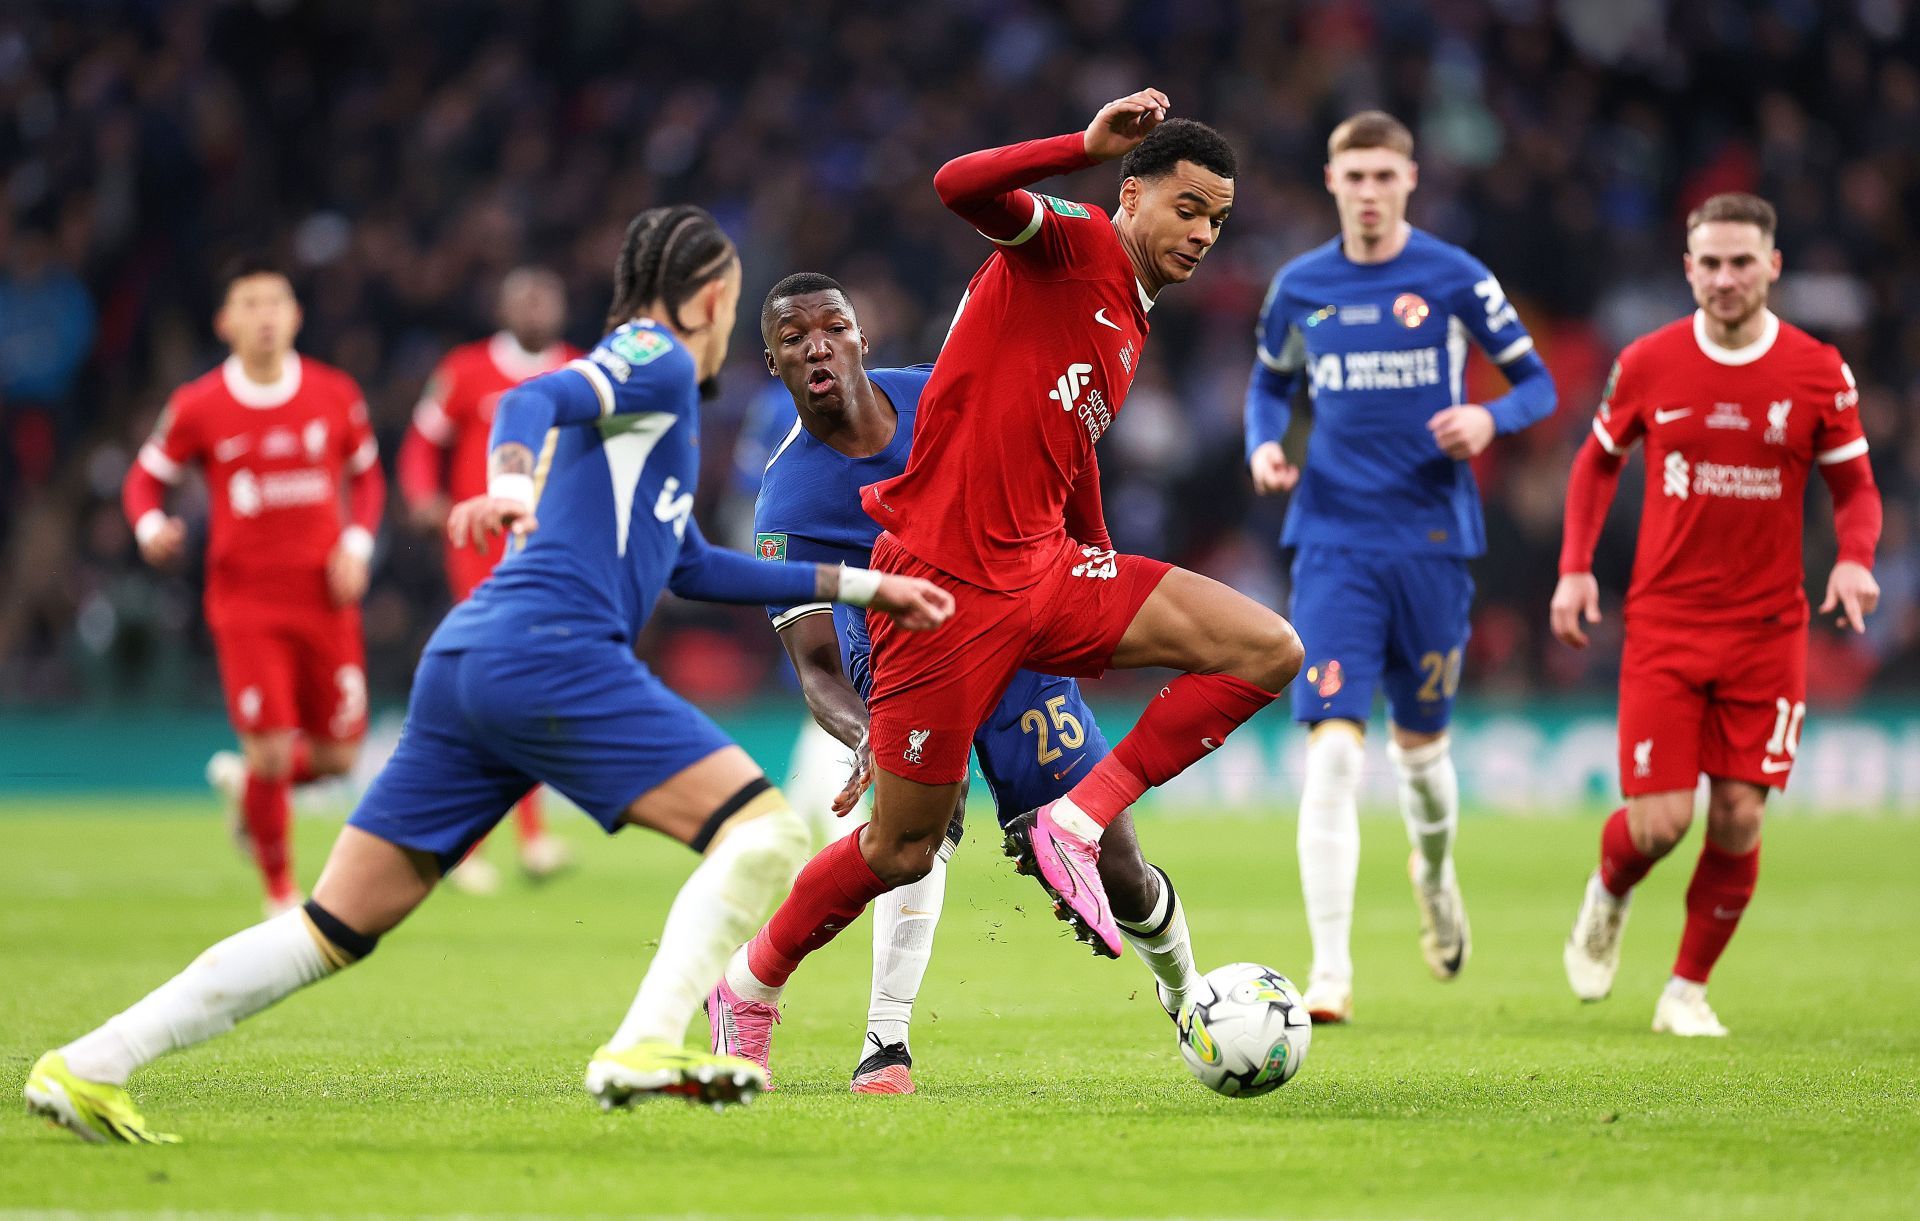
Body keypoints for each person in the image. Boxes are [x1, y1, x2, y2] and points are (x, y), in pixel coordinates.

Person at [26, 206, 954, 1143]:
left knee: (335, 925)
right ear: (713, 299)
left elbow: (689, 565)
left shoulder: (656, 404)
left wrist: (857, 581)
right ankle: (643, 1043)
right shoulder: (656, 358)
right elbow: (533, 401)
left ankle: (91, 1062)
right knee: (760, 832)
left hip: (470, 657)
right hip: (554, 650)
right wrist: (510, 479)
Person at [708, 92, 1302, 1081]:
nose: (1202, 234)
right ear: (1133, 194)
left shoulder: (1129, 314)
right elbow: (956, 185)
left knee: (1268, 648)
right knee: (902, 848)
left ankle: (1078, 819)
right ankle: (751, 983)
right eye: (1187, 208)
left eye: (1218, 220)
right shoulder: (1069, 243)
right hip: (938, 597)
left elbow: (1067, 443)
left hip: (1043, 569)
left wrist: (1104, 568)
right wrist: (1079, 146)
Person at [749, 272, 1200, 1093]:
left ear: (859, 337)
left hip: (1016, 620)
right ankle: (885, 1042)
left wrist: (1080, 565)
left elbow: (1059, 455)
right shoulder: (786, 501)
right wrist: (864, 740)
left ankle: (1188, 997)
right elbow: (813, 665)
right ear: (773, 362)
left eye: (834, 327)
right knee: (927, 812)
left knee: (1119, 860)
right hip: (901, 644)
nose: (818, 344)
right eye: (794, 336)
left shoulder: (937, 398)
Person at [1242, 111, 1557, 1022]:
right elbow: (1269, 380)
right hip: (1334, 543)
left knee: (1422, 759)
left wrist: (1491, 419)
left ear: (1410, 179)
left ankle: (1435, 869)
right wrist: (1266, 445)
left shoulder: (1455, 279)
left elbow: (1536, 381)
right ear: (1332, 182)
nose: (1371, 192)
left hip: (1432, 546)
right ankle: (1329, 972)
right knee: (1333, 756)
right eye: (1356, 177)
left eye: (1386, 175)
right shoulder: (1302, 286)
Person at [1551, 192, 1881, 1037]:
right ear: (1687, 267)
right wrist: (1576, 571)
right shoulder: (1650, 361)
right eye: (1711, 262)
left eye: (1743, 262)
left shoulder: (1816, 370)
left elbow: (1854, 486)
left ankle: (1685, 990)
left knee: (1738, 813)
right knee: (1662, 822)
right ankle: (1611, 887)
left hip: (1770, 629)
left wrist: (1854, 558)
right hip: (1665, 624)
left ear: (1772, 266)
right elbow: (1595, 463)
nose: (1726, 278)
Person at [121, 255, 385, 914]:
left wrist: (356, 542)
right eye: (250, 304)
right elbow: (145, 478)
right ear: (226, 321)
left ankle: (249, 792)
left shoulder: (334, 393)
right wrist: (149, 523)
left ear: (295, 316)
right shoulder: (198, 404)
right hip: (246, 603)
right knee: (270, 750)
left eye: (276, 302)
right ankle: (281, 892)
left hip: (327, 601)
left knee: (335, 757)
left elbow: (369, 478)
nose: (265, 316)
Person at [397, 266, 580, 891]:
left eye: (544, 295)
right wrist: (424, 496)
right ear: (502, 306)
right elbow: (423, 442)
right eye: (523, 295)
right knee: (506, 683)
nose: (535, 306)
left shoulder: (585, 370)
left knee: (525, 690)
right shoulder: (467, 369)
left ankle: (493, 839)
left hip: (559, 551)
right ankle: (501, 840)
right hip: (482, 550)